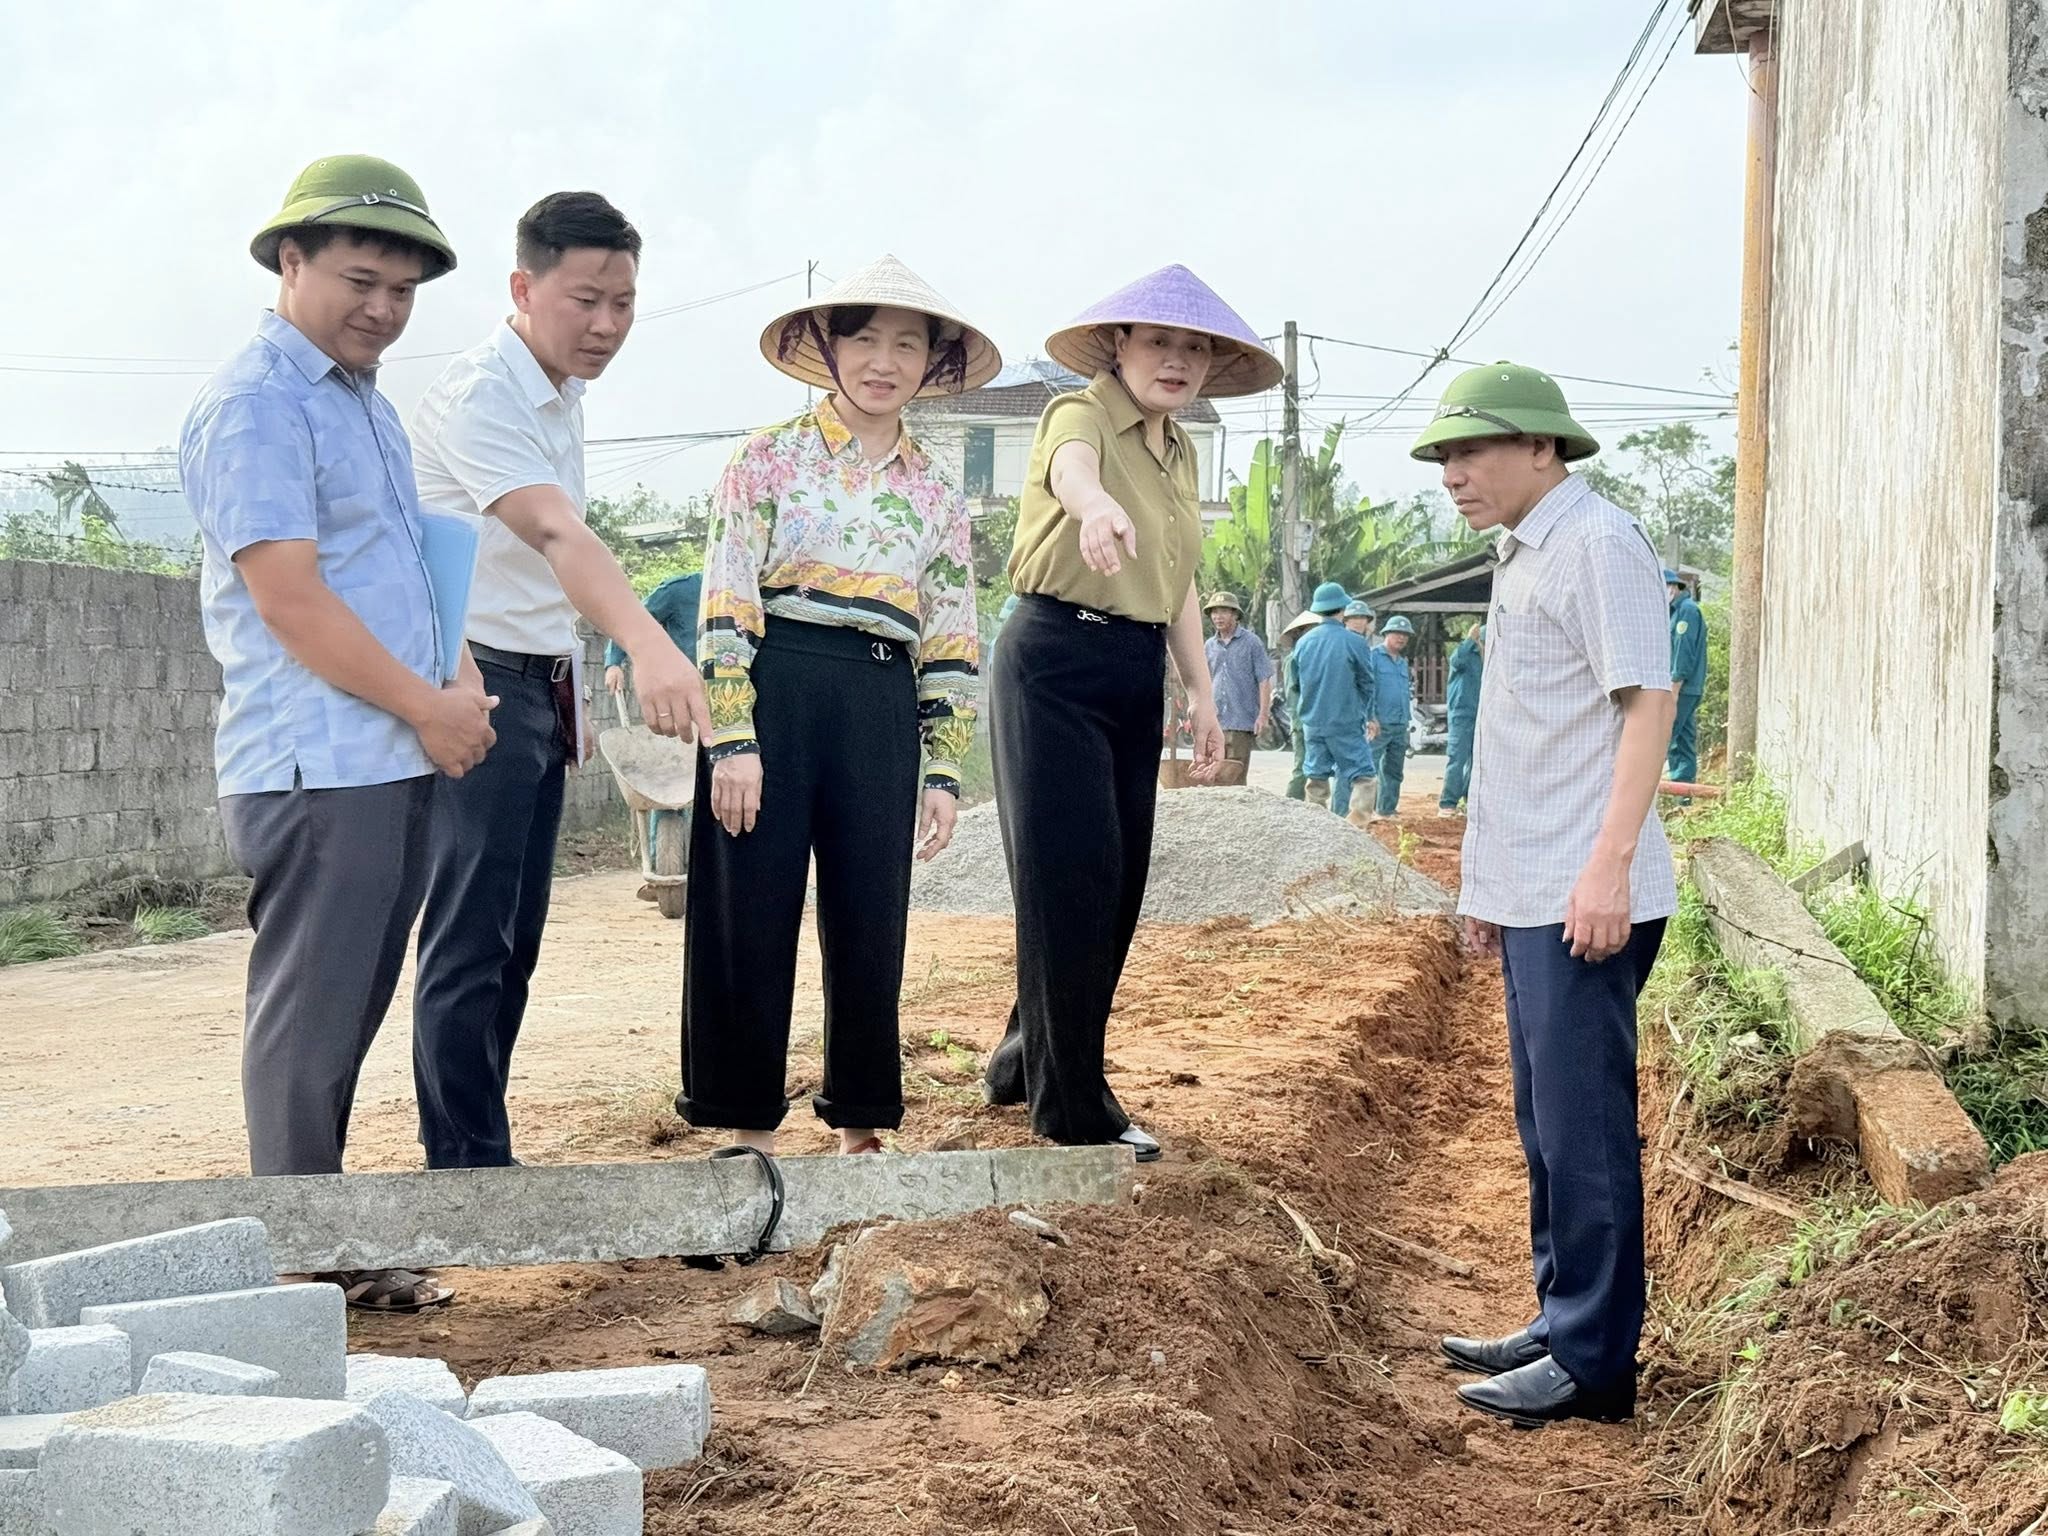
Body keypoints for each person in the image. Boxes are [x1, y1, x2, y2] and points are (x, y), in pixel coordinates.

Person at [182, 154, 489, 1311]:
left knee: (348, 1004)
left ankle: (325, 1238)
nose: (381, 309)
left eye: (402, 292)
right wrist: (424, 705)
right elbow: (291, 598)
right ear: (290, 262)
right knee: (308, 1017)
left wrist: (449, 686)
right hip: (317, 763)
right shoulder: (258, 402)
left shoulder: (363, 404)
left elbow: (407, 570)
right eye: (360, 279)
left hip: (386, 752)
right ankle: (296, 1257)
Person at [407, 192, 710, 1171]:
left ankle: (479, 1154)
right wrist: (650, 645)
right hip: (475, 681)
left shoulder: (561, 397)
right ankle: (463, 1174)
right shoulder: (480, 396)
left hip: (541, 683)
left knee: (516, 944)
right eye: (586, 300)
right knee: (468, 941)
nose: (608, 325)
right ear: (521, 287)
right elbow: (553, 531)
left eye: (624, 302)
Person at [681, 256, 998, 1156]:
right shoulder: (765, 459)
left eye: (907, 343)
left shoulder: (935, 489)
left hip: (878, 697)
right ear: (828, 347)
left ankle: (862, 1124)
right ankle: (744, 1129)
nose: (883, 360)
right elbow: (727, 598)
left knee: (869, 911)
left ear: (933, 362)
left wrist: (943, 766)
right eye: (863, 337)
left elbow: (951, 632)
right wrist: (731, 737)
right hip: (776, 685)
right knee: (753, 907)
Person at [1411, 361, 1676, 1429]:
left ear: (1540, 448)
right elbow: (1519, 738)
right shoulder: (1526, 552)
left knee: (1583, 1130)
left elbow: (1647, 704)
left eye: (1470, 451)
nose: (1451, 475)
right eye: (1441, 457)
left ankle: (1592, 1363)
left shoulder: (1597, 546)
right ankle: (1560, 1314)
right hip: (1533, 888)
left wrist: (1606, 865)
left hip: (1584, 889)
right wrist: (1487, 883)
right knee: (1541, 1122)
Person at [982, 264, 1279, 1161]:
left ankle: (1021, 1056)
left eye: (1196, 349)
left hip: (1130, 665)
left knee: (1112, 883)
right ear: (1120, 346)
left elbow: (1178, 582)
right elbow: (1074, 475)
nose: (1178, 361)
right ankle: (1071, 1108)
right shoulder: (1078, 416)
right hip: (1053, 659)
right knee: (1069, 878)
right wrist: (1098, 502)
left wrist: (1198, 693)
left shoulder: (1179, 450)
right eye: (1161, 343)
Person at [605, 569, 705, 896]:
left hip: (727, 705)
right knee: (667, 783)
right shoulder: (680, 589)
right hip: (679, 705)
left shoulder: (746, 592)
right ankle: (662, 867)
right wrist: (614, 662)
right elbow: (633, 622)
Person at [1292, 581, 1378, 825]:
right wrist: (1362, 712)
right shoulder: (1354, 642)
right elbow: (1367, 684)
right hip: (1345, 721)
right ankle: (1356, 826)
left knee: (1316, 777)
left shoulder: (1303, 643)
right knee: (1364, 776)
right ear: (1343, 609)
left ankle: (1315, 829)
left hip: (1313, 723)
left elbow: (1296, 685)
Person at [1202, 590, 1274, 765]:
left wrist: (1263, 715)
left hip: (1241, 722)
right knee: (1212, 775)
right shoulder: (1209, 646)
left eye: (1224, 611)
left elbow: (1264, 680)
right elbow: (1204, 680)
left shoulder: (1252, 643)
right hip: (1214, 721)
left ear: (1235, 615)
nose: (1218, 617)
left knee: (1235, 775)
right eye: (1215, 612)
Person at [1365, 615, 1416, 821]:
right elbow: (1368, 688)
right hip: (1379, 722)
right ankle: (1365, 810)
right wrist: (1371, 717)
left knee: (1394, 770)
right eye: (1397, 633)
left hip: (1400, 723)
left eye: (1405, 635)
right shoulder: (1373, 656)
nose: (1401, 637)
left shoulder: (1403, 663)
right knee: (1370, 768)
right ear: (1386, 634)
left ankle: (1387, 809)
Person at [1666, 570, 1707, 789]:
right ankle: (1683, 793)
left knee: (1666, 735)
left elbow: (1683, 652)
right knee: (1683, 739)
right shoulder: (1675, 611)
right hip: (1685, 688)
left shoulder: (1687, 612)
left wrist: (1674, 689)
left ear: (1673, 588)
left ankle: (1671, 790)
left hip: (1683, 688)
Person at [1439, 621, 1484, 817]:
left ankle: (1468, 800)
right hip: (1462, 713)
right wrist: (1468, 640)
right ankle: (1447, 804)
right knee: (1457, 759)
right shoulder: (1465, 655)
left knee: (1477, 761)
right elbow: (1456, 661)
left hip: (1483, 715)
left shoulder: (1492, 659)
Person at [1278, 608, 1320, 800]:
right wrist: (1300, 722)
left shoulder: (1318, 661)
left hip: (1318, 721)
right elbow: (1292, 696)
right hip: (1303, 721)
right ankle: (1290, 804)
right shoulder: (1293, 660)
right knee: (1302, 767)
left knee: (1317, 769)